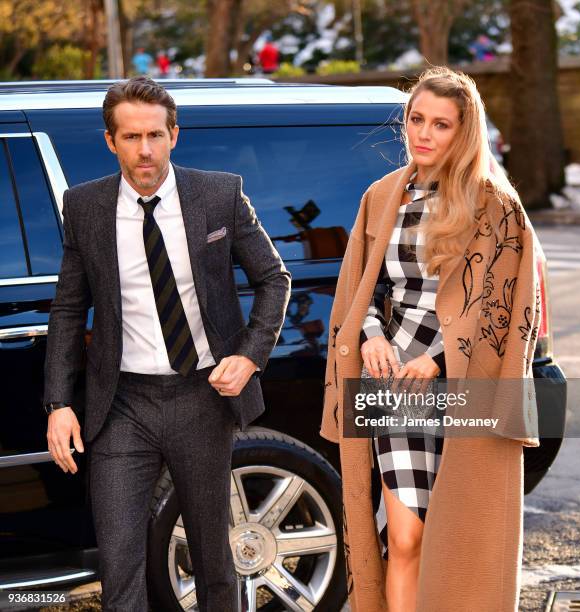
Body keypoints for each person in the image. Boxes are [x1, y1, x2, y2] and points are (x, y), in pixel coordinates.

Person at [44, 76, 291, 612]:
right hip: (121, 405)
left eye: (155, 135)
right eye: (131, 137)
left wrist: (249, 355)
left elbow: (274, 279)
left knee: (212, 558)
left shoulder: (218, 195)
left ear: (174, 135)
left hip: (202, 398)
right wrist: (59, 403)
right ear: (111, 141)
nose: (145, 150)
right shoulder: (85, 208)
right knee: (118, 559)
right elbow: (68, 308)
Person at [320, 66, 541, 611]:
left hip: (467, 386)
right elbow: (359, 287)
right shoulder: (382, 197)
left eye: (440, 125)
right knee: (405, 538)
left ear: (463, 133)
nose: (423, 134)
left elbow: (505, 309)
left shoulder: (496, 207)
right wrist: (370, 336)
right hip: (395, 384)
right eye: (416, 119)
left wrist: (439, 362)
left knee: (463, 542)